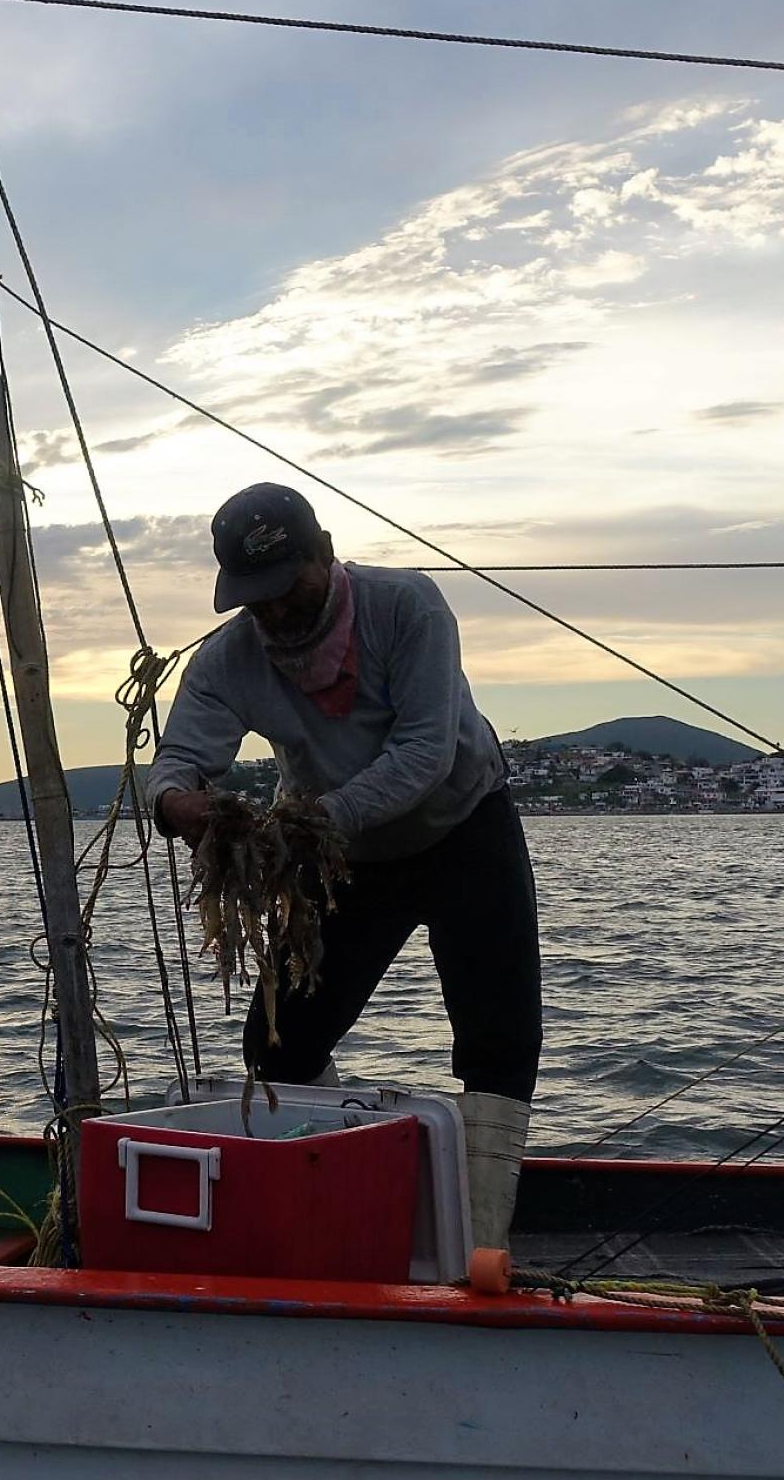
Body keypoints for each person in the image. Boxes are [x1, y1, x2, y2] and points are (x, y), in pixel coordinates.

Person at [148, 483, 540, 1253]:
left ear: (325, 552)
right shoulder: (229, 659)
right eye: (256, 601)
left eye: (288, 588)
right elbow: (178, 760)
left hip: (466, 829)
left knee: (499, 1045)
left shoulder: (410, 607)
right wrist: (177, 806)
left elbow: (424, 754)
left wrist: (305, 826)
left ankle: (482, 1243)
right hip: (347, 862)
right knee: (279, 1044)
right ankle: (344, 1190)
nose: (277, 614)